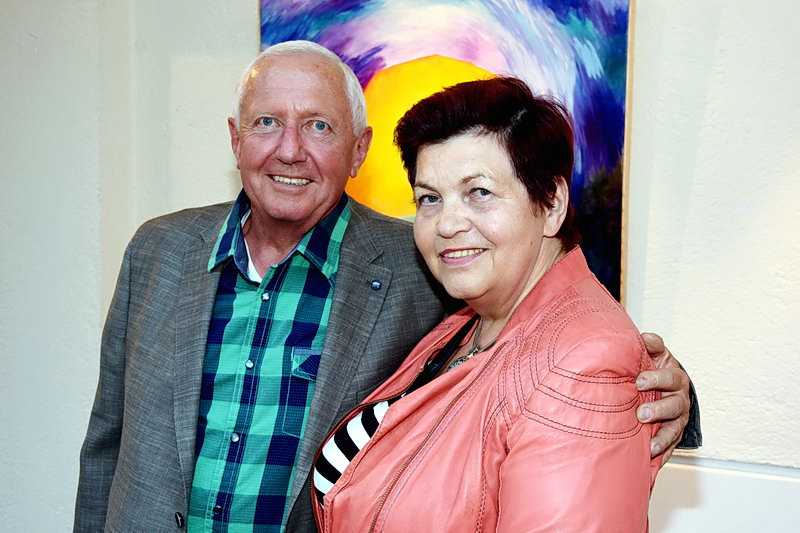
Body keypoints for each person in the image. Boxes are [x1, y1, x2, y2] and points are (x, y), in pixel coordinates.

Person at [75, 41, 698, 532]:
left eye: (319, 126)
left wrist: (672, 395)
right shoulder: (156, 252)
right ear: (236, 139)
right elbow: (106, 442)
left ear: (358, 150)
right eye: (266, 122)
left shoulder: (419, 265)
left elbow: (561, 346)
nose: (289, 150)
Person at [311, 77, 670, 532]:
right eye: (429, 198)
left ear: (551, 204)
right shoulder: (467, 322)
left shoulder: (586, 365)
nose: (447, 224)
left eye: (479, 193)